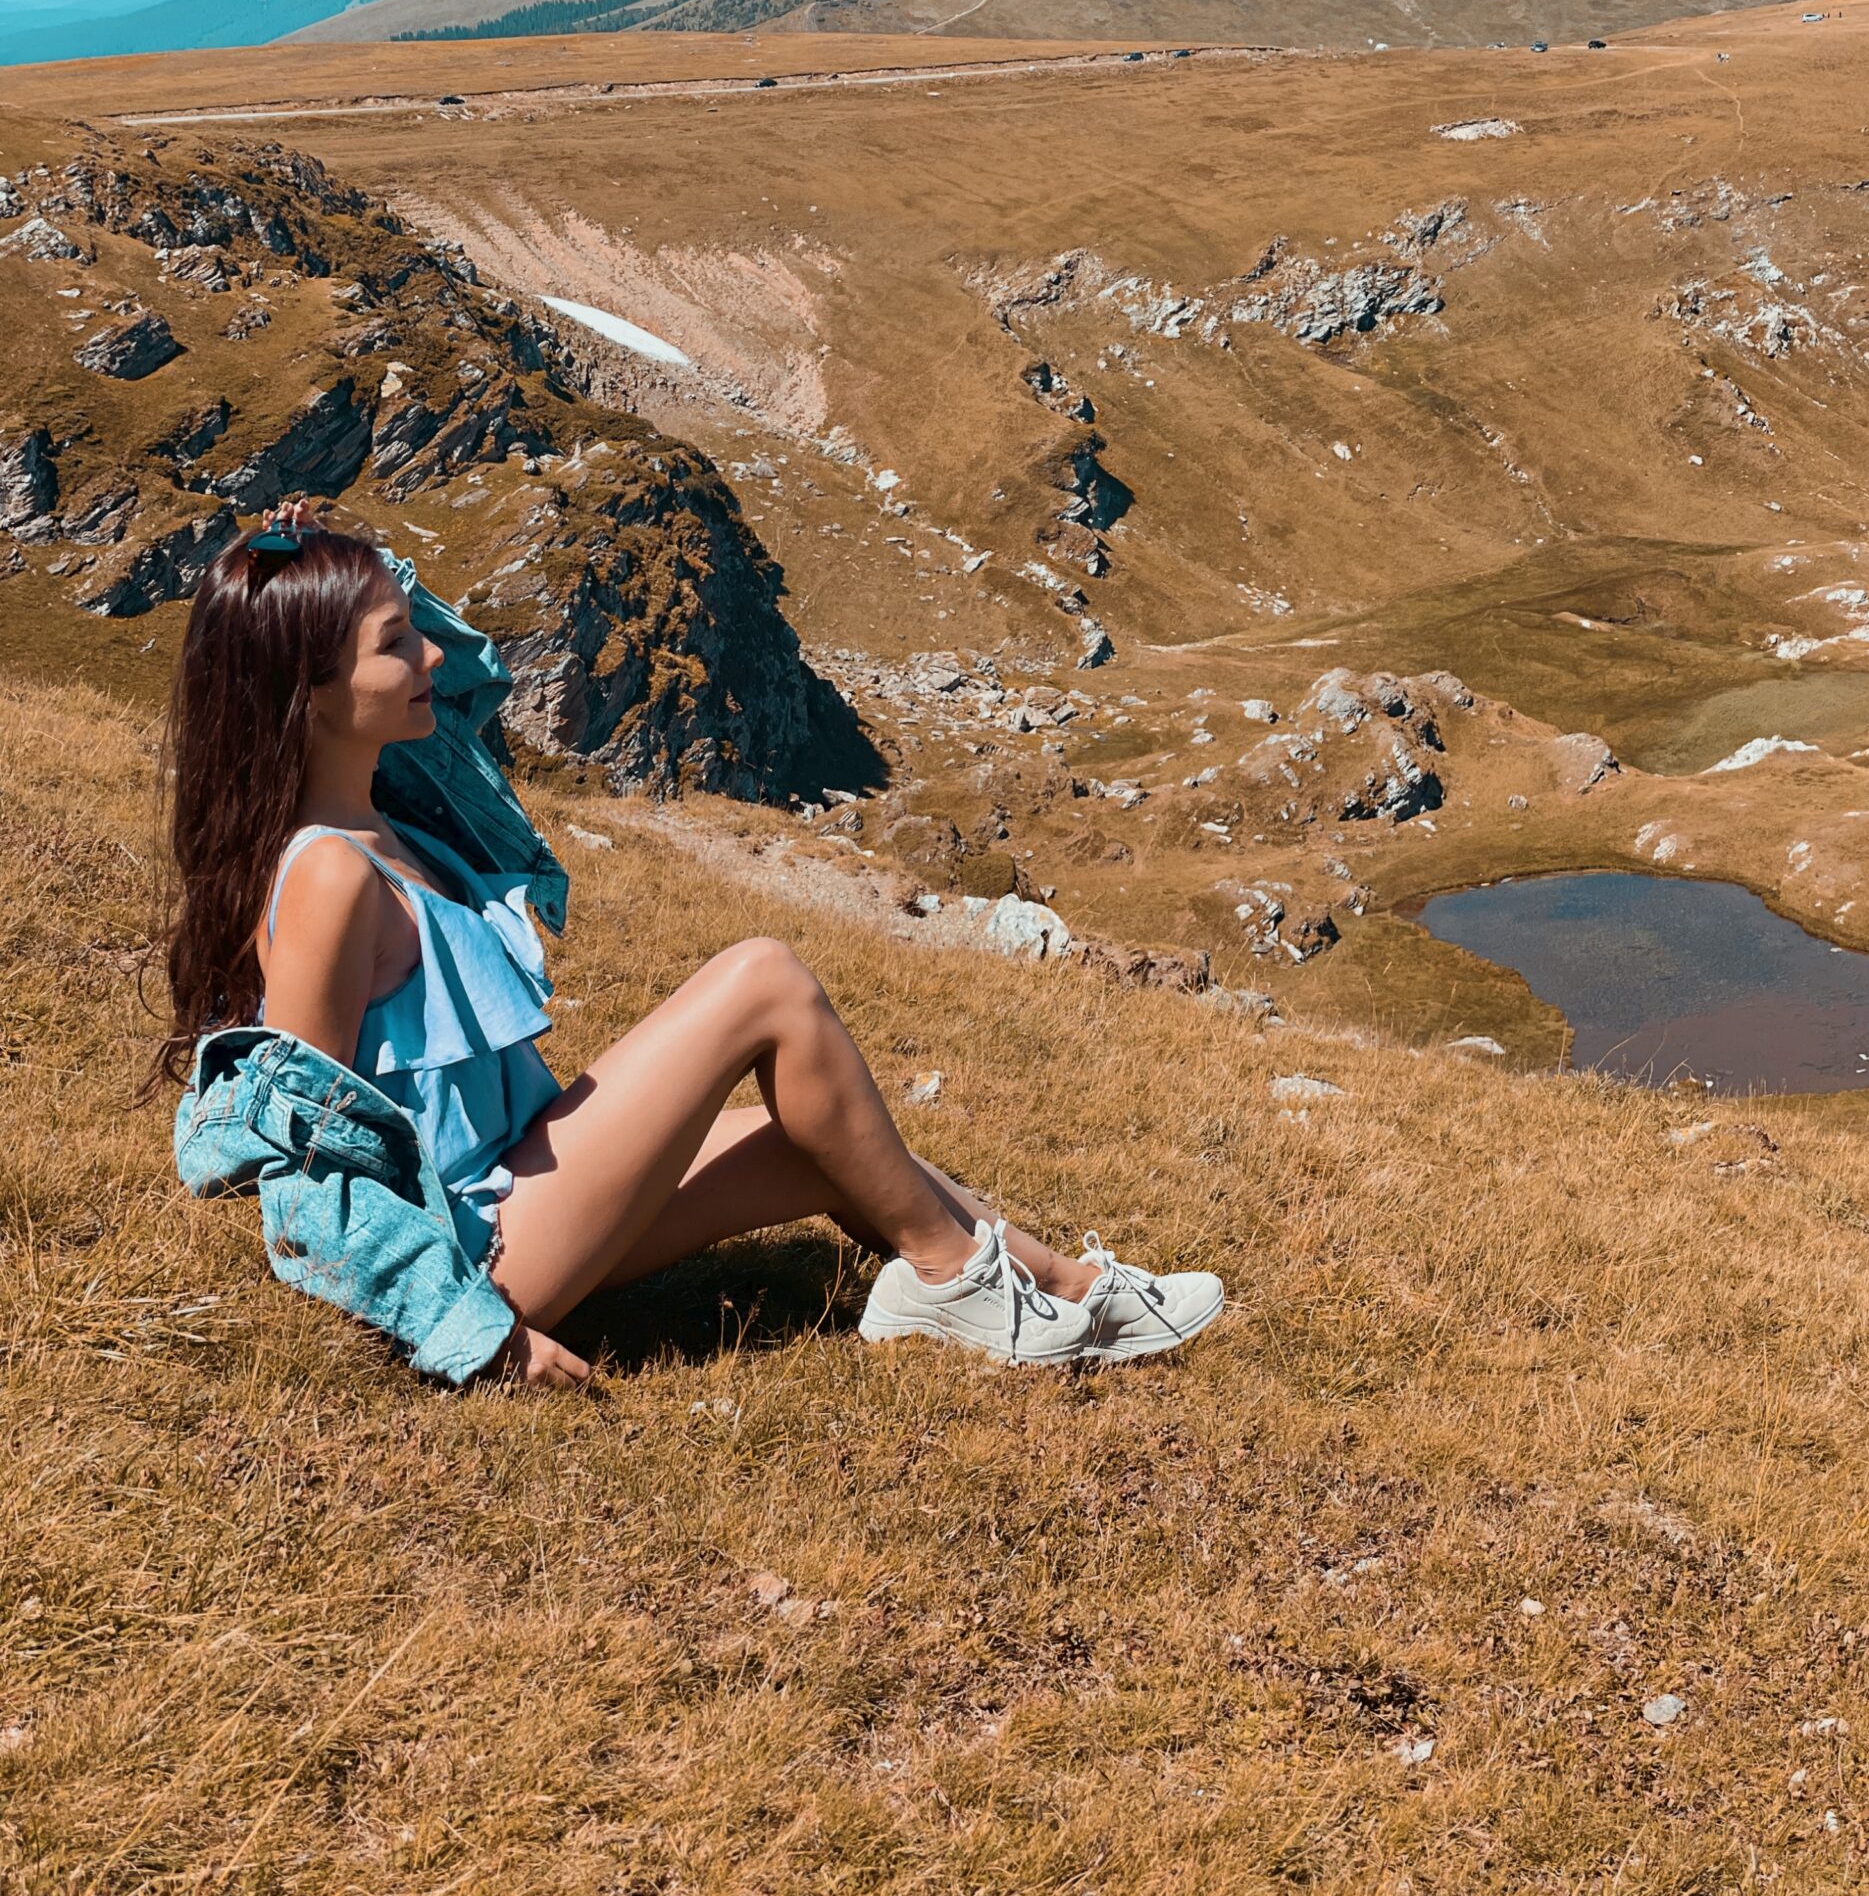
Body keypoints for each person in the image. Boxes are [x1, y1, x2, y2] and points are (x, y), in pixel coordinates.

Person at [156, 502, 1224, 1388]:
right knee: (763, 978)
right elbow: (299, 1167)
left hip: (520, 1171)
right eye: (395, 641)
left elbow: (471, 672)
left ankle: (1073, 1288)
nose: (429, 651)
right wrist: (478, 1334)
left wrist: (319, 558)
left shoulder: (395, 810)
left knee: (828, 1133)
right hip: (480, 1243)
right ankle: (960, 1286)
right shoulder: (331, 873)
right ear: (309, 693)